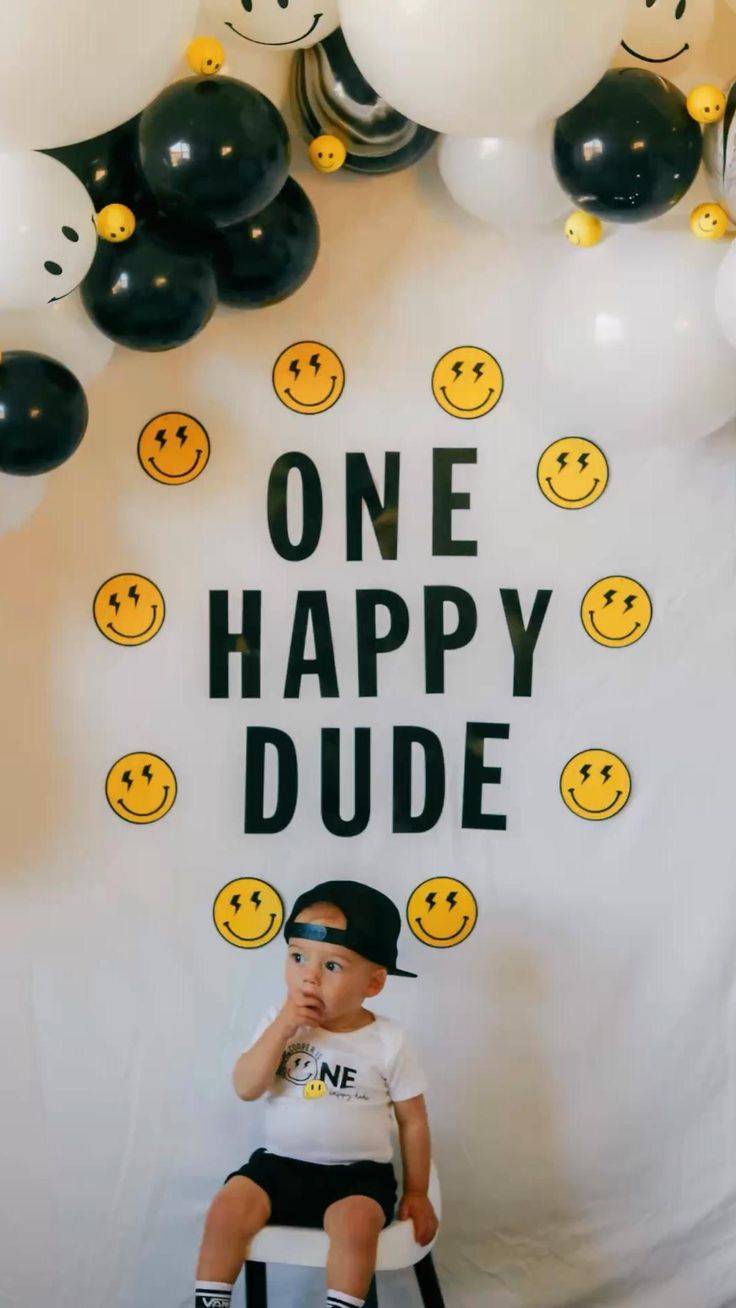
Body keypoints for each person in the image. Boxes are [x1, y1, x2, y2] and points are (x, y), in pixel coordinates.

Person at [195, 880, 439, 1308]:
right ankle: (211, 1303)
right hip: (279, 1169)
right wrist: (283, 1029)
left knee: (358, 1225)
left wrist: (416, 1192)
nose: (308, 976)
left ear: (374, 982)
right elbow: (246, 1087)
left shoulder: (388, 1040)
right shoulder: (279, 1023)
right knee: (226, 1210)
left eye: (332, 966)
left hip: (356, 1177)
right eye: (297, 957)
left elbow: (413, 1121)